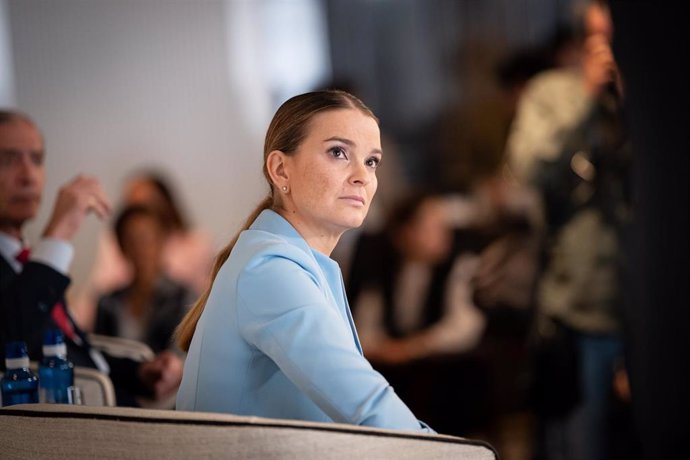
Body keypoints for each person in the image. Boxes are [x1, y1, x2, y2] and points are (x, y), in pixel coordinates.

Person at [175, 90, 433, 433]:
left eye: (372, 161)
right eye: (338, 153)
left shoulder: (283, 261)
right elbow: (368, 407)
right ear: (281, 170)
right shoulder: (269, 270)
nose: (363, 176)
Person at [504, 1, 634, 459]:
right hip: (582, 308)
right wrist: (585, 96)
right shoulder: (553, 92)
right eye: (595, 35)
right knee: (583, 444)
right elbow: (528, 166)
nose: (605, 45)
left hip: (656, 303)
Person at [0, 109, 182, 406]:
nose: (28, 175)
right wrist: (59, 232)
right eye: (8, 159)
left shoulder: (27, 264)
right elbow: (12, 341)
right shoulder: (39, 266)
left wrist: (140, 372)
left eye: (36, 159)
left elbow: (72, 350)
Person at [348, 190, 487, 436]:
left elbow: (465, 327)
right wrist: (381, 348)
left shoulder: (461, 261)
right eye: (432, 227)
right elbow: (365, 323)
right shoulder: (381, 260)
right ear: (404, 234)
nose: (444, 234)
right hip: (395, 372)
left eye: (444, 226)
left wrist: (412, 348)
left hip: (445, 373)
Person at [72, 170, 214, 330]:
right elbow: (97, 286)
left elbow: (201, 302)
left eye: (147, 207)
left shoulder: (195, 245)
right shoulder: (109, 299)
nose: (138, 220)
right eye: (132, 207)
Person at [94, 205, 195, 354]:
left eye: (146, 239)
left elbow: (181, 357)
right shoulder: (108, 303)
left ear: (162, 241)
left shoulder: (184, 299)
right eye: (131, 241)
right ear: (121, 247)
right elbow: (99, 355)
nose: (140, 249)